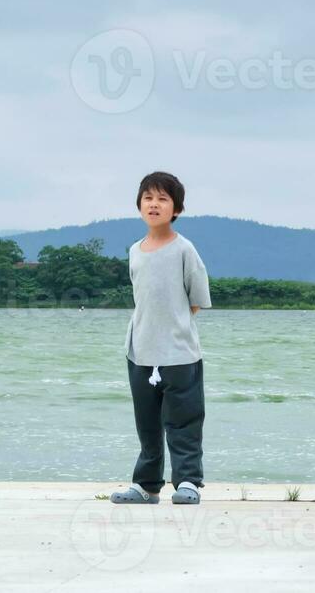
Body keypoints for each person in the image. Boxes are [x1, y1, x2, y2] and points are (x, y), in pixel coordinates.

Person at [110, 171, 211, 506]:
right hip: (139, 351)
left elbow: (196, 300)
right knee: (147, 424)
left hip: (179, 353)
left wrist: (173, 329)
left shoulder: (185, 249)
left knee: (183, 422)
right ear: (139, 205)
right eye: (148, 198)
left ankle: (188, 482)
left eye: (163, 199)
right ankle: (146, 485)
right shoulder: (135, 251)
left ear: (176, 209)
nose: (154, 204)